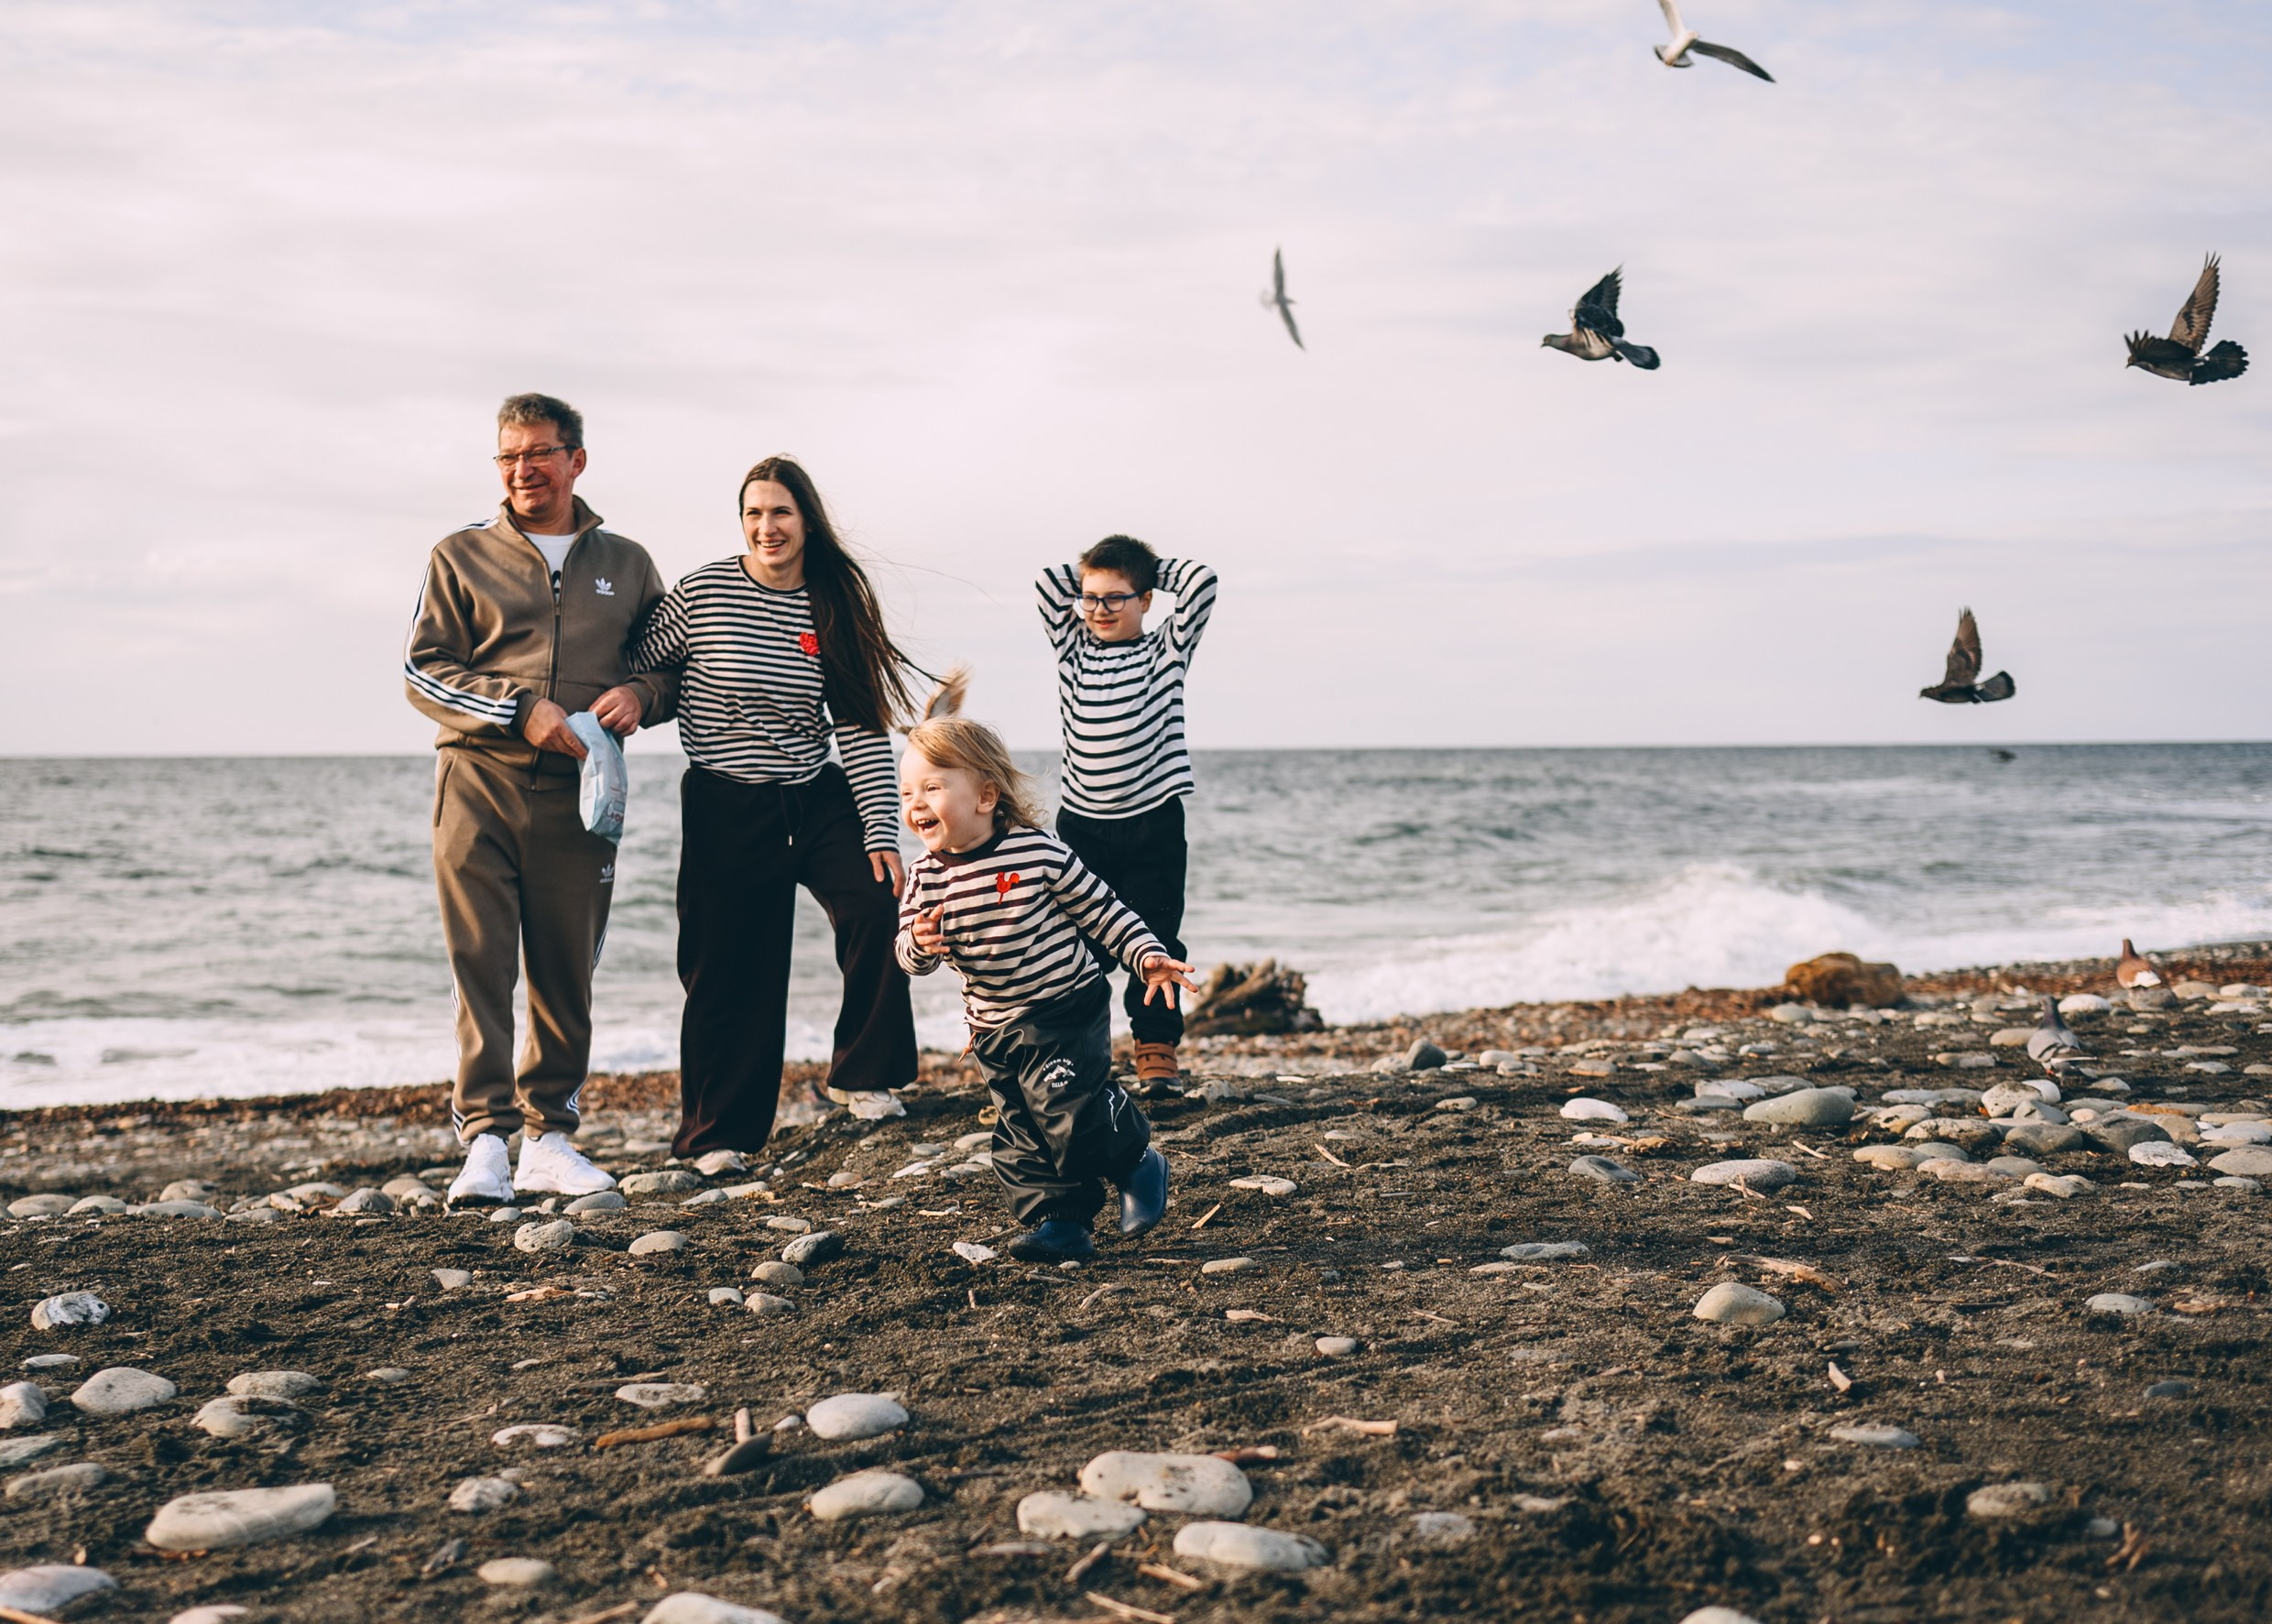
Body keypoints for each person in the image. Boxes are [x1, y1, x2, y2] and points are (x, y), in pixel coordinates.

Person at [404, 393, 675, 1204]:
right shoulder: (459, 556)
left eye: (539, 453)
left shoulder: (626, 562)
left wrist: (640, 694)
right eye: (508, 455)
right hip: (477, 784)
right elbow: (423, 670)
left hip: (584, 793)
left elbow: (667, 662)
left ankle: (550, 1139)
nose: (523, 469)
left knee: (566, 971)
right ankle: (483, 1144)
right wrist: (519, 709)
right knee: (479, 967)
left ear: (575, 461)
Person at [629, 456, 921, 1157]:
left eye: (781, 512)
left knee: (877, 898)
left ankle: (865, 1075)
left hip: (813, 793)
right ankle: (715, 1136)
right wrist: (638, 700)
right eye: (754, 513)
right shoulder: (703, 593)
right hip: (726, 801)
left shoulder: (833, 602)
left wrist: (882, 825)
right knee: (727, 969)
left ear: (806, 520)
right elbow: (643, 659)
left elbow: (858, 725)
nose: (767, 526)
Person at [894, 716, 1190, 1261]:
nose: (916, 804)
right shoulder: (924, 876)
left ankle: (1135, 1161)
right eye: (907, 791)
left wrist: (1146, 955)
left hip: (1064, 1004)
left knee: (1066, 1110)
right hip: (990, 1024)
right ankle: (1063, 1223)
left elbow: (1102, 910)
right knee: (1022, 1128)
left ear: (986, 795)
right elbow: (909, 959)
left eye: (933, 788)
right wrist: (919, 939)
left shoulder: (1036, 853)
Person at [1035, 537, 1218, 1090]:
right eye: (1090, 599)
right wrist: (1097, 575)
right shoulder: (1074, 650)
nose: (1099, 610)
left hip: (1153, 824)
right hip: (1082, 828)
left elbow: (1203, 580)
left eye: (1116, 599)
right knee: (1076, 943)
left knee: (1156, 937)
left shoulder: (1167, 649)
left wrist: (1143, 571)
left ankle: (1156, 1048)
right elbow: (1048, 583)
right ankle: (1078, 1052)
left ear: (1147, 599)